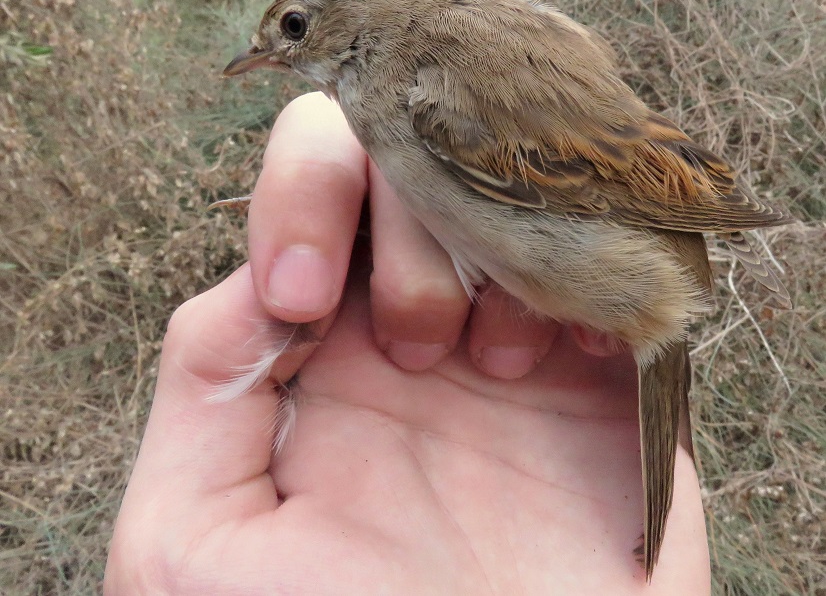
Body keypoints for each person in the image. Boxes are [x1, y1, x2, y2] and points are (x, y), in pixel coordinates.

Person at [104, 93, 710, 594]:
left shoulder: (432, 97)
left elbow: (622, 186)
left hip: (636, 269)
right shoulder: (409, 104)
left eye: (294, 28)